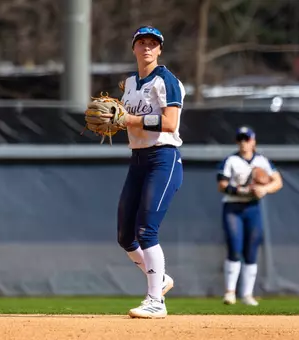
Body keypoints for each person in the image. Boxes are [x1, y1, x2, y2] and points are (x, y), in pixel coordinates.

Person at [115, 25, 185, 319]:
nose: (147, 47)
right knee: (125, 236)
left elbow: (170, 123)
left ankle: (156, 300)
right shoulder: (129, 83)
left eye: (152, 43)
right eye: (141, 42)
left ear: (159, 50)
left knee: (146, 230)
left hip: (163, 158)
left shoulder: (167, 81)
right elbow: (125, 111)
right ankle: (161, 279)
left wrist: (130, 118)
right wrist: (114, 118)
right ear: (133, 48)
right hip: (138, 159)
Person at [216, 126, 283, 306]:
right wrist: (243, 190)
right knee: (234, 247)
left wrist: (264, 189)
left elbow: (277, 181)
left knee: (251, 249)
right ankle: (230, 292)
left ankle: (247, 294)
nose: (244, 142)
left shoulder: (262, 161)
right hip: (233, 206)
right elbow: (222, 185)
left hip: (252, 207)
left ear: (254, 141)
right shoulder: (231, 160)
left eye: (247, 139)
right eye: (241, 139)